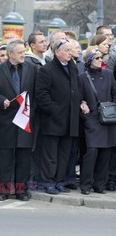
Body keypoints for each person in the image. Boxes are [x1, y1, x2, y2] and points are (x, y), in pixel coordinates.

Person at [0, 39, 38, 201]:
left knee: (24, 158)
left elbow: (37, 93)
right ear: (10, 54)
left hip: (25, 119)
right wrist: (1, 100)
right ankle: (3, 190)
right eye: (20, 52)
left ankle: (21, 191)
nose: (24, 55)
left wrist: (32, 110)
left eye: (24, 51)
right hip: (6, 120)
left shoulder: (32, 69)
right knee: (5, 158)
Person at [35, 39, 80, 194]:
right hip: (53, 120)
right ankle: (47, 182)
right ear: (57, 52)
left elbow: (76, 88)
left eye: (71, 50)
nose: (70, 53)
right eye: (67, 50)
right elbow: (41, 95)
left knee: (64, 154)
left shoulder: (72, 67)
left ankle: (59, 181)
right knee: (50, 155)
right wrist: (54, 110)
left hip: (70, 119)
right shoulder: (47, 70)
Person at [79, 48, 116, 195]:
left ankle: (100, 184)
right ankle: (86, 184)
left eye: (101, 57)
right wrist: (82, 103)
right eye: (97, 58)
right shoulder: (82, 76)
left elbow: (115, 93)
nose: (101, 60)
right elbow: (79, 95)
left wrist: (113, 108)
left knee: (106, 151)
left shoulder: (108, 74)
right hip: (92, 118)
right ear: (89, 61)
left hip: (108, 118)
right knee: (92, 151)